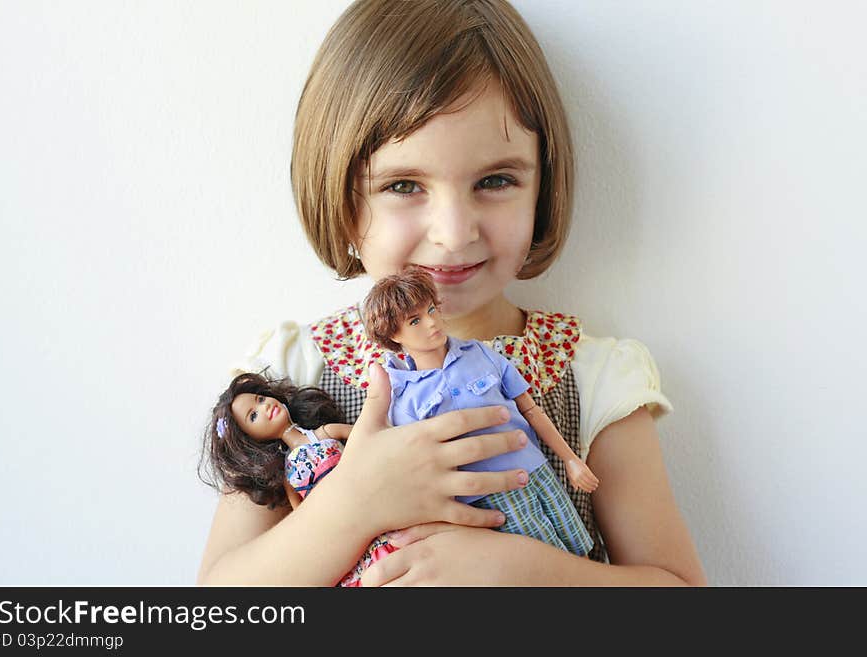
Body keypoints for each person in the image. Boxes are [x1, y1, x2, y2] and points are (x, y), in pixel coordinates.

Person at [197, 0, 706, 586]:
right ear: (341, 198)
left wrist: (526, 575)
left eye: (495, 180)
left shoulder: (594, 380)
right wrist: (355, 502)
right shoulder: (293, 373)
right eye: (404, 184)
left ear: (543, 184)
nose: (455, 233)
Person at [362, 267, 597, 556]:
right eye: (415, 320)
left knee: (580, 547)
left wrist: (571, 461)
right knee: (544, 562)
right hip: (493, 495)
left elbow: (531, 411)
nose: (432, 323)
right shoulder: (404, 401)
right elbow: (421, 472)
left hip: (538, 470)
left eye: (432, 309)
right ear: (393, 335)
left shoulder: (482, 354)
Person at [199, 372, 394, 586]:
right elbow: (303, 514)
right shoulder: (290, 472)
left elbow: (366, 436)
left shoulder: (322, 433)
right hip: (347, 534)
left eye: (261, 399)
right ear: (252, 443)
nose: (265, 408)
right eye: (253, 416)